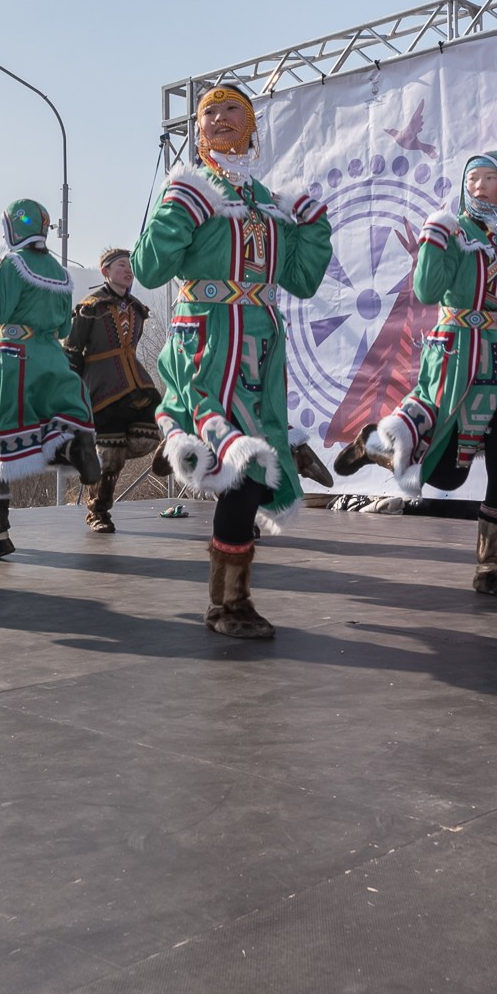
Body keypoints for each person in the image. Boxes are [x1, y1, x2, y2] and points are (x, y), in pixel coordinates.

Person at [334, 151, 497, 597]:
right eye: (472, 179)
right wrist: (433, 238)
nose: (478, 186)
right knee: (447, 476)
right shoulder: (454, 232)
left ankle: (491, 570)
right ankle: (374, 446)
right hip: (455, 363)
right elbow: (428, 291)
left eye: (489, 178)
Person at [132, 84, 332, 638]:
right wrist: (178, 210)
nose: (218, 118)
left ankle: (231, 596)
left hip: (263, 347)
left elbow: (302, 279)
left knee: (256, 471)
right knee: (242, 472)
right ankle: (228, 604)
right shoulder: (191, 188)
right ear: (197, 132)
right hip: (209, 343)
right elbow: (149, 270)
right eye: (207, 112)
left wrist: (313, 226)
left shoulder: (267, 201)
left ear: (251, 125)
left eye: (231, 110)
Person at [0, 200, 100, 561]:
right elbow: (64, 328)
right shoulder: (58, 270)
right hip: (51, 359)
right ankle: (73, 447)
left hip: (13, 358)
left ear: (11, 229)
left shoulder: (13, 263)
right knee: (49, 426)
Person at [63, 247, 163, 533]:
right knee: (111, 456)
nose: (128, 270)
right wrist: (73, 391)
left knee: (153, 428)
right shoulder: (90, 307)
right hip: (102, 387)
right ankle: (98, 513)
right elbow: (72, 350)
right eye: (121, 265)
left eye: (131, 265)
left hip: (135, 382)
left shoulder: (137, 308)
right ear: (105, 272)